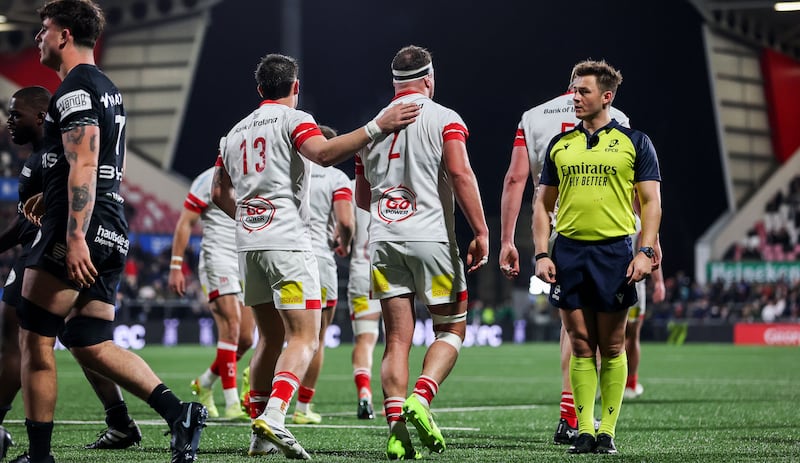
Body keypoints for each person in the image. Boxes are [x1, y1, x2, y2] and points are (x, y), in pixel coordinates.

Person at [14, 2, 206, 462]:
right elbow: (87, 163)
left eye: (44, 30)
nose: (38, 38)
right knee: (88, 339)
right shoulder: (108, 88)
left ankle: (38, 456)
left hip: (80, 230)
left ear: (63, 36)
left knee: (34, 338)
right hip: (112, 226)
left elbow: (85, 161)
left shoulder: (75, 90)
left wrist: (74, 234)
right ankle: (179, 412)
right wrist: (56, 189)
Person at [211, 53, 418, 459]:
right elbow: (322, 154)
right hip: (288, 240)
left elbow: (219, 193)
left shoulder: (233, 133)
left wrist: (249, 219)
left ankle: (258, 436)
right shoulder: (295, 119)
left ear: (259, 90)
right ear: (295, 86)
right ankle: (275, 415)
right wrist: (378, 127)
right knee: (304, 336)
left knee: (268, 340)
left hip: (248, 245)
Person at [355, 45, 490, 460]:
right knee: (451, 329)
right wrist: (481, 231)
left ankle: (396, 431)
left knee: (396, 339)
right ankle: (422, 398)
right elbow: (461, 173)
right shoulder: (445, 118)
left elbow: (362, 198)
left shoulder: (371, 128)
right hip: (432, 241)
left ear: (394, 84)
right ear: (429, 80)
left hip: (383, 241)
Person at [1, 86, 146, 457]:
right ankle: (122, 420)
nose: (9, 122)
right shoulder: (45, 155)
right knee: (81, 338)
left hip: (55, 249)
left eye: (16, 114)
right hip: (73, 243)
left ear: (39, 116)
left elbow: (30, 222)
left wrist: (74, 237)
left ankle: (23, 438)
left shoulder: (53, 154)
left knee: (17, 335)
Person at [533, 59, 662, 455]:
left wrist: (645, 250)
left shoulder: (635, 142)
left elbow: (651, 201)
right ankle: (585, 431)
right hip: (569, 252)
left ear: (606, 97)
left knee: (612, 345)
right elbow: (541, 206)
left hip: (615, 251)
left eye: (583, 90)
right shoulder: (560, 145)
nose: (575, 96)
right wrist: (541, 253)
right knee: (581, 342)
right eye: (573, 89)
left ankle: (607, 432)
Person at [498, 69, 633, 444]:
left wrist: (507, 240)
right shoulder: (618, 118)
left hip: (561, 232)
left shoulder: (533, 116)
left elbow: (515, 179)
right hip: (612, 233)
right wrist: (651, 245)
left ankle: (571, 418)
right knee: (611, 336)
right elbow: (635, 183)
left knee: (573, 331)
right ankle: (584, 420)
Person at [168, 164, 255, 421]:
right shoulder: (208, 178)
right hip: (217, 258)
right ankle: (231, 404)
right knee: (231, 325)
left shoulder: (252, 177)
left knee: (247, 339)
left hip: (245, 260)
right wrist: (176, 266)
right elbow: (186, 223)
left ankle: (205, 382)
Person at [291, 125, 355, 425]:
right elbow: (345, 221)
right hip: (319, 263)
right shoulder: (336, 177)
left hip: (288, 260)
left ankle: (259, 394)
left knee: (278, 335)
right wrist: (345, 241)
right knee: (315, 338)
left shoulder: (291, 170)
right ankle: (302, 409)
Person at [347, 177, 381, 420]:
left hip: (362, 272)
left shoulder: (349, 186)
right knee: (399, 339)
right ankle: (397, 401)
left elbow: (342, 226)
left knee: (365, 339)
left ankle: (364, 393)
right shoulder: (399, 177)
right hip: (392, 269)